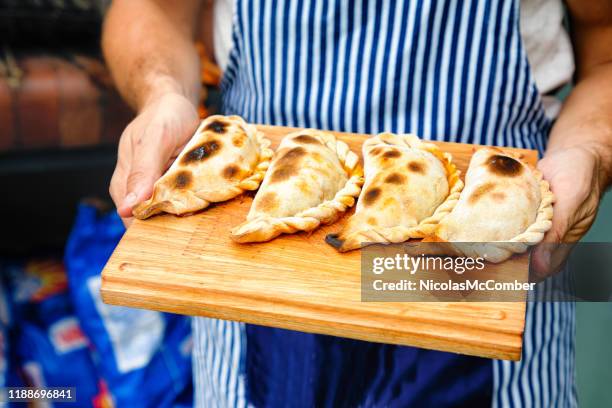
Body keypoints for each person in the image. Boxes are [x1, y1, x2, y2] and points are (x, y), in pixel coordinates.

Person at [102, 0, 612, 406]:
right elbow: (153, 8)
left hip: (481, 272)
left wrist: (588, 149)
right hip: (254, 281)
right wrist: (162, 92)